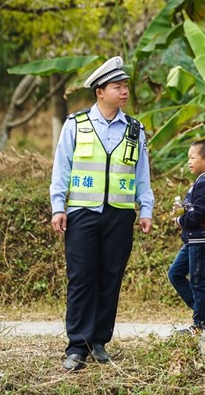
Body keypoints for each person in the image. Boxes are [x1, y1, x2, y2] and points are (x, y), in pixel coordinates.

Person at [50, 56, 155, 371]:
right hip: (82, 212)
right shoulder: (76, 124)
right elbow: (61, 168)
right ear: (100, 91)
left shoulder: (135, 130)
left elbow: (141, 174)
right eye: (117, 87)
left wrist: (145, 208)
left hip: (120, 215)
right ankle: (76, 346)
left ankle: (99, 341)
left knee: (111, 278)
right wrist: (59, 207)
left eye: (125, 86)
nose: (124, 92)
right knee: (81, 278)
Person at [169, 139, 205, 334]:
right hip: (193, 239)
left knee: (199, 280)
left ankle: (201, 325)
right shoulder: (200, 182)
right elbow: (196, 208)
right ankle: (203, 310)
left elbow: (199, 213)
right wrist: (183, 210)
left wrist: (180, 221)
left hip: (201, 238)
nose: (189, 161)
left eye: (192, 157)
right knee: (175, 273)